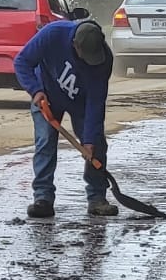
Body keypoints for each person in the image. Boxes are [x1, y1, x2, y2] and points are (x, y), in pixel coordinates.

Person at [13, 18, 117, 218]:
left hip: (81, 104)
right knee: (45, 142)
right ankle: (43, 199)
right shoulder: (53, 34)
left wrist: (88, 141)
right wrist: (35, 91)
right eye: (86, 55)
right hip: (46, 96)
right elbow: (22, 61)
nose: (90, 60)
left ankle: (97, 198)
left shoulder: (104, 60)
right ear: (74, 45)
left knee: (97, 145)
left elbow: (96, 102)